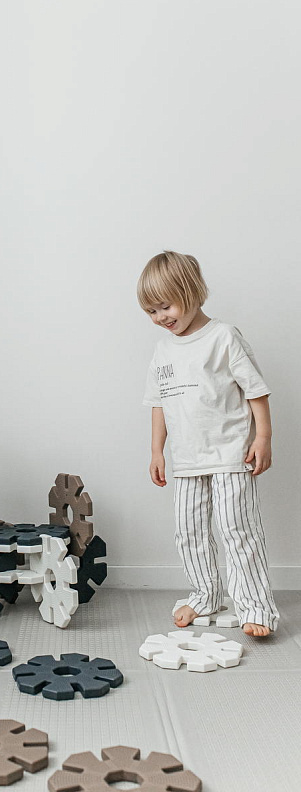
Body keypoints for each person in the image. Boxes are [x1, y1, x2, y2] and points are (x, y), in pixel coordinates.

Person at [137, 250, 279, 637]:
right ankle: (205, 595)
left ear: (191, 292)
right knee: (189, 532)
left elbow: (256, 391)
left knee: (238, 530)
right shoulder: (163, 350)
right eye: (151, 311)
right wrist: (156, 451)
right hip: (186, 461)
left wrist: (263, 437)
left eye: (165, 306)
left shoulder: (223, 337)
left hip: (231, 455)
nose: (160, 317)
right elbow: (158, 404)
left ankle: (256, 607)